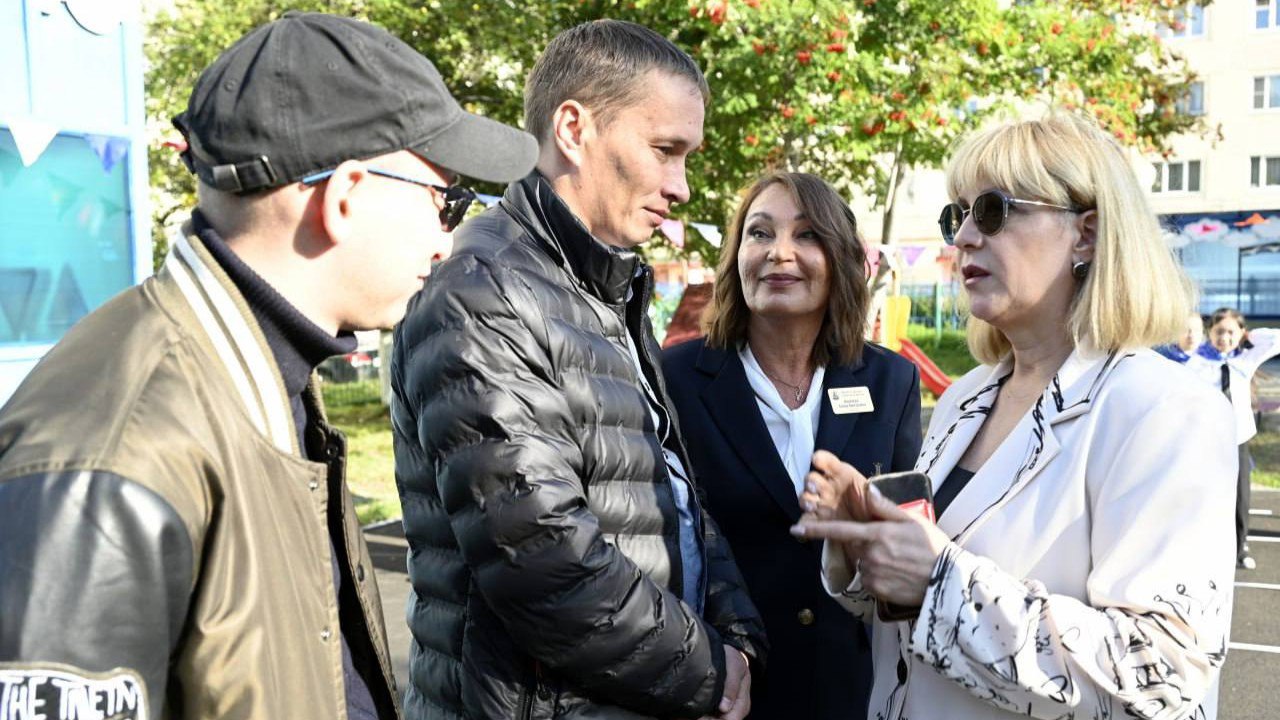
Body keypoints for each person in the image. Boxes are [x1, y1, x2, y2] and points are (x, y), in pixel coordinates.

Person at [0, 12, 537, 719]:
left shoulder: (262, 375)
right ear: (345, 195)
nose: (447, 240)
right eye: (445, 201)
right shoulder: (116, 449)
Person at [791, 112, 1236, 720]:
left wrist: (938, 580)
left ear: (1087, 234)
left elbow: (1161, 676)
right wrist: (869, 540)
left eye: (993, 211)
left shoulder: (1166, 411)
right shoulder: (966, 397)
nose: (963, 237)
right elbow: (911, 608)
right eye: (957, 216)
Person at [390, 19, 767, 720]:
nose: (681, 187)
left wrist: (739, 635)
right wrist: (712, 669)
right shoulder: (484, 291)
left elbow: (678, 496)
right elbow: (544, 561)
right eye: (665, 150)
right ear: (573, 129)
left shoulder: (606, 287)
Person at [662, 172, 921, 720]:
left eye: (806, 235)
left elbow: (906, 552)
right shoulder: (675, 380)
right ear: (736, 256)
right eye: (760, 233)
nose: (779, 252)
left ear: (842, 259)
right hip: (723, 694)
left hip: (852, 693)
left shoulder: (890, 382)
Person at [1186, 307, 1280, 570]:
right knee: (1204, 492)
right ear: (1209, 333)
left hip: (1238, 437)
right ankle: (1202, 544)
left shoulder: (1246, 359)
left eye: (1231, 332)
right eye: (1219, 331)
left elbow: (1276, 340)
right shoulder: (1197, 361)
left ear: (1240, 334)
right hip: (1207, 439)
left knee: (1241, 495)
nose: (1224, 337)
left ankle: (1240, 547)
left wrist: (1251, 336)